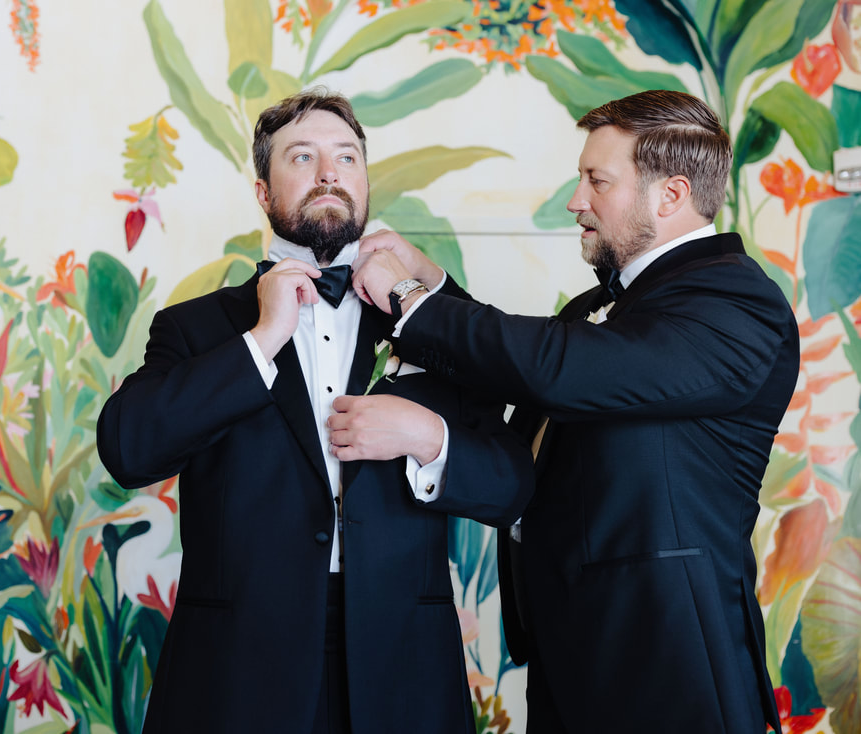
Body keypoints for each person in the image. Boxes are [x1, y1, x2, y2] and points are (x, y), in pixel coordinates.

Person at [350, 89, 798, 734]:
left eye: (597, 180)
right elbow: (543, 374)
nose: (575, 200)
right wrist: (438, 291)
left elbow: (565, 370)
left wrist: (413, 299)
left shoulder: (735, 298)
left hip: (668, 666)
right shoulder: (598, 315)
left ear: (670, 195)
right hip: (574, 652)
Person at [96, 88, 534, 734]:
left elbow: (511, 485)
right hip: (238, 678)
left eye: (347, 157)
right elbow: (128, 449)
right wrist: (261, 340)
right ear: (262, 194)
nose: (330, 172)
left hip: (404, 673)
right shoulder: (198, 330)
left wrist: (423, 436)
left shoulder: (432, 325)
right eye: (303, 157)